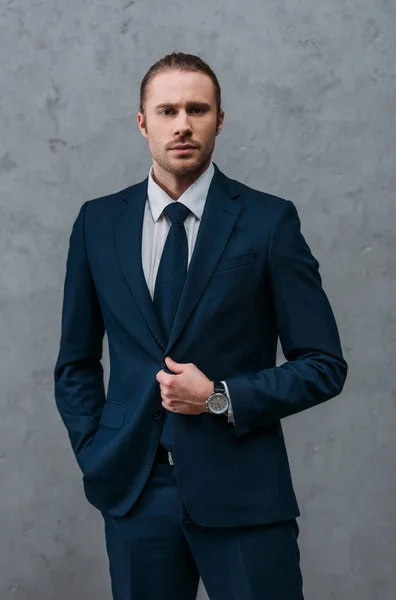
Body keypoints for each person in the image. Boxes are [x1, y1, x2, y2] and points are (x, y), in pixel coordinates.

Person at [54, 51, 348, 600]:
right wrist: (96, 450)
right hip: (134, 493)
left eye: (197, 109)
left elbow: (324, 366)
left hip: (245, 493)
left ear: (219, 118)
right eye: (167, 111)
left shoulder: (268, 221)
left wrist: (218, 397)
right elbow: (75, 362)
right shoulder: (97, 223)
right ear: (142, 122)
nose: (183, 124)